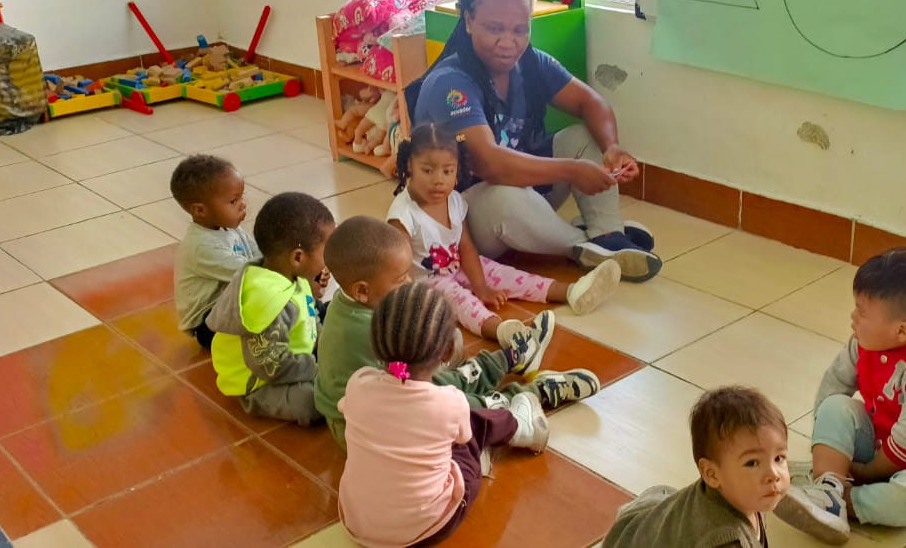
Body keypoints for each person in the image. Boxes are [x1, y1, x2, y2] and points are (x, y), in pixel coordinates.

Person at [408, 0, 661, 283]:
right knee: (504, 197)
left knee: (585, 136)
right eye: (494, 28)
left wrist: (612, 148)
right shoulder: (451, 83)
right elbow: (490, 164)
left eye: (520, 30)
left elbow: (591, 103)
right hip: (467, 218)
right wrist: (572, 170)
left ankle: (607, 233)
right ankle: (582, 245)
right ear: (468, 21)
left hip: (524, 194)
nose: (508, 42)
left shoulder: (531, 63)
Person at [314, 216, 602, 447]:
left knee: (435, 373)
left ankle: (510, 359)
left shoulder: (352, 304)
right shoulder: (364, 330)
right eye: (401, 279)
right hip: (365, 428)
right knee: (449, 403)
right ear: (362, 291)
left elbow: (401, 374)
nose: (410, 283)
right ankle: (532, 393)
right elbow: (406, 381)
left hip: (384, 393)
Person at [777, 244, 906, 544]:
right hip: (878, 436)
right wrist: (825, 439)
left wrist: (865, 472)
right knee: (835, 405)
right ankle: (827, 487)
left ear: (903, 331)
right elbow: (835, 383)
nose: (853, 317)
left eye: (862, 311)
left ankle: (842, 500)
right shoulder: (867, 340)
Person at [338, 282, 548, 547]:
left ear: (375, 344)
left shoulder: (358, 384)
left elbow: (356, 408)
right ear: (448, 352)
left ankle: (502, 390)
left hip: (356, 523)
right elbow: (464, 437)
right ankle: (520, 425)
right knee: (475, 428)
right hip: (428, 527)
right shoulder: (449, 402)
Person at [388, 122, 622, 344]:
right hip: (426, 282)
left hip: (457, 265)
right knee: (461, 301)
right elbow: (397, 268)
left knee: (506, 274)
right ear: (409, 165)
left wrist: (480, 285)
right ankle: (503, 331)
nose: (438, 180)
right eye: (427, 170)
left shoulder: (454, 200)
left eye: (447, 171)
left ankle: (573, 292)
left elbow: (466, 246)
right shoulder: (403, 215)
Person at [205, 192, 335, 426]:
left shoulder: (294, 275)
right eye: (327, 251)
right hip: (260, 382)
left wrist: (326, 347)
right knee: (310, 402)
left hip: (295, 359)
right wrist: (318, 369)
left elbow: (310, 315)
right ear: (298, 258)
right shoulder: (267, 300)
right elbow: (271, 366)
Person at [605, 386, 790, 548]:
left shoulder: (749, 496)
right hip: (630, 539)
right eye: (752, 463)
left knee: (663, 502)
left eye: (779, 458)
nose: (773, 474)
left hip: (658, 520)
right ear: (711, 474)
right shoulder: (724, 540)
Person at [170, 155, 260, 349]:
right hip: (209, 324)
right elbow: (251, 272)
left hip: (231, 304)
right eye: (233, 201)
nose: (243, 204)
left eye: (241, 197)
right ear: (200, 210)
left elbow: (259, 256)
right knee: (272, 304)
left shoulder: (229, 228)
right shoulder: (201, 246)